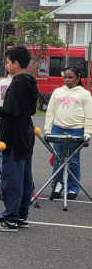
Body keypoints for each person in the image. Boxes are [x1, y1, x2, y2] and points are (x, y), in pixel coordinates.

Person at [0, 45, 38, 232]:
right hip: (26, 135)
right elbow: (31, 110)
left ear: (15, 63)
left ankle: (10, 219)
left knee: (11, 179)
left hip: (14, 137)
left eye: (7, 62)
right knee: (24, 178)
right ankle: (21, 216)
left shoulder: (16, 83)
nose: (6, 65)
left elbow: (13, 111)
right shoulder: (31, 81)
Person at [44, 67, 92, 200]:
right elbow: (50, 112)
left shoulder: (85, 94)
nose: (67, 80)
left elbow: (89, 115)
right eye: (65, 77)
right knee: (58, 158)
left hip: (76, 130)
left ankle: (73, 188)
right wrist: (48, 130)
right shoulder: (57, 92)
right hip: (58, 128)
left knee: (73, 160)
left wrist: (87, 132)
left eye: (70, 77)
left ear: (78, 78)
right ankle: (57, 184)